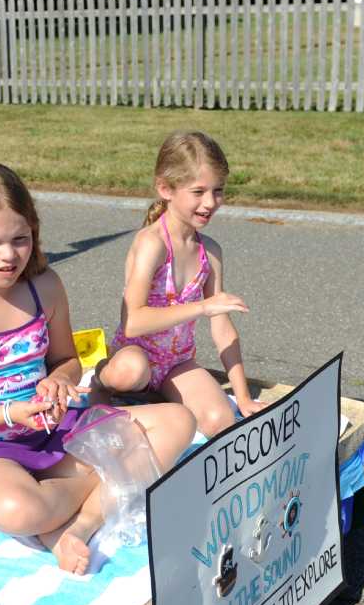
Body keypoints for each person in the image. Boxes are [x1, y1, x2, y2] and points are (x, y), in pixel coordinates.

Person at [0, 163, 195, 574]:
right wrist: (7, 413)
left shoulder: (45, 287)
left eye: (20, 239)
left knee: (178, 422)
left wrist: (59, 380)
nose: (9, 256)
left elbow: (67, 359)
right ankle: (109, 484)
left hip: (47, 430)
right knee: (21, 510)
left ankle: (78, 526)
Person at [96, 131, 266, 438]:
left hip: (176, 363)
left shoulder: (209, 252)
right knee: (129, 372)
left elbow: (222, 328)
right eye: (198, 191)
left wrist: (242, 396)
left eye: (218, 190)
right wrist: (202, 306)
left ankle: (151, 402)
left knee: (219, 419)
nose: (210, 202)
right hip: (137, 357)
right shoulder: (152, 243)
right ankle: (100, 384)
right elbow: (133, 322)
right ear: (165, 188)